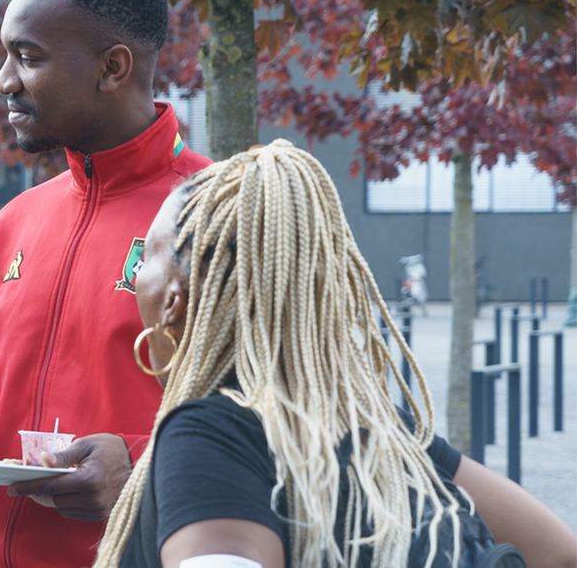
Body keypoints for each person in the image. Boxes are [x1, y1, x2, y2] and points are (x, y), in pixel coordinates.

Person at [91, 141, 577, 568]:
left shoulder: (211, 435)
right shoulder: (376, 426)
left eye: (146, 256)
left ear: (174, 299)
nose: (135, 277)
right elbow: (557, 552)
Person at [0, 0, 210, 568]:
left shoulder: (224, 212)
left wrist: (143, 466)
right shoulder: (13, 223)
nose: (4, 80)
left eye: (28, 57)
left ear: (113, 68)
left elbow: (292, 422)